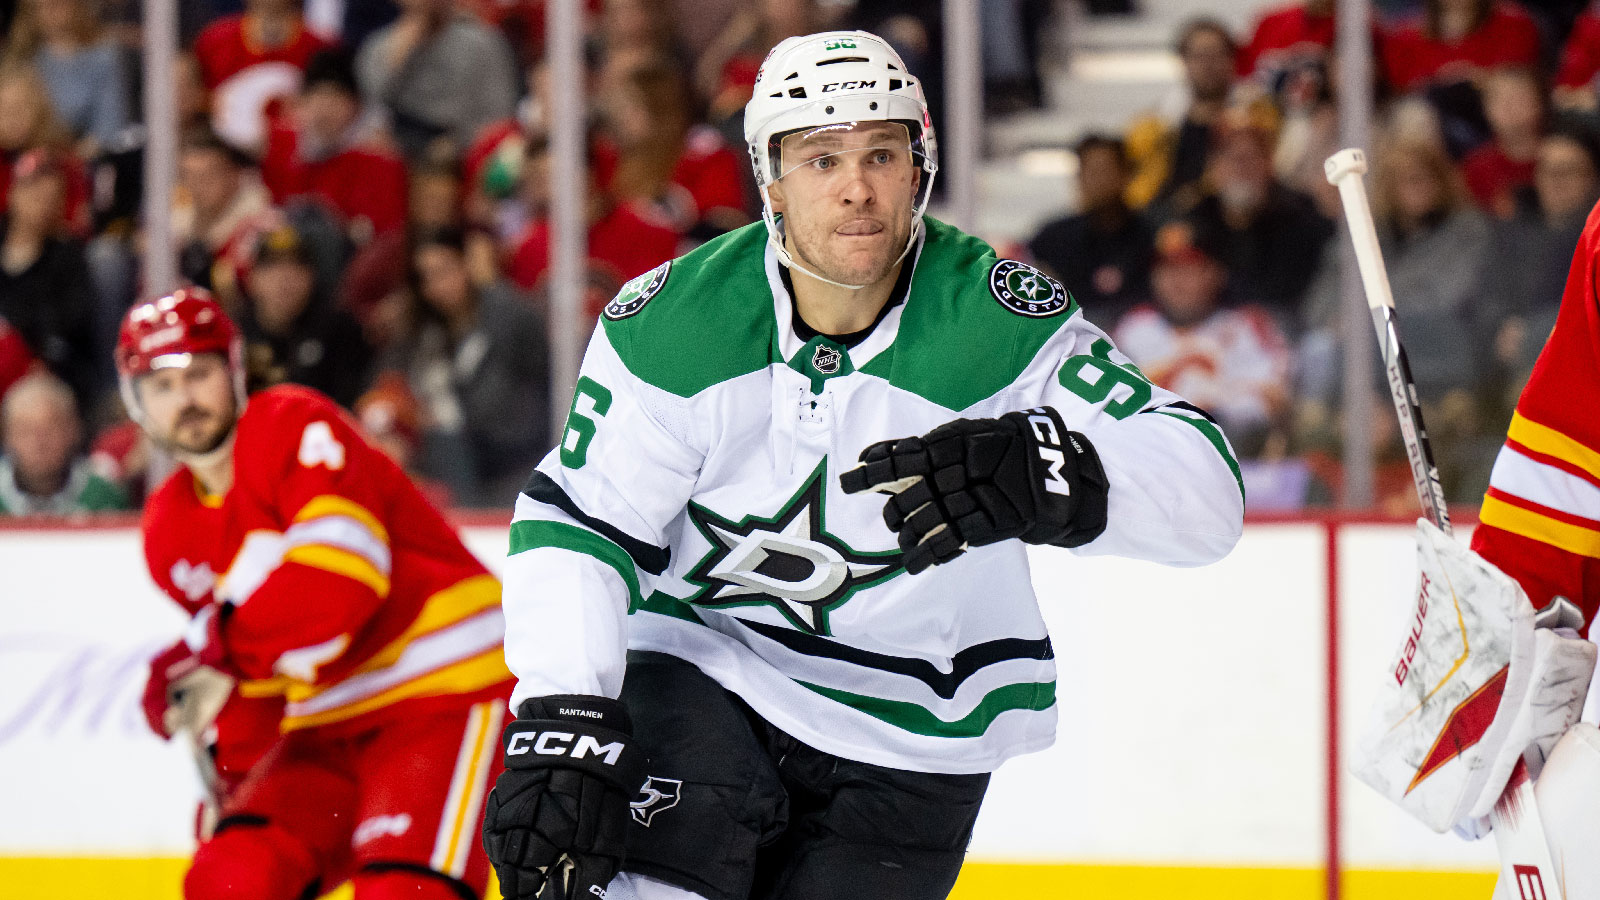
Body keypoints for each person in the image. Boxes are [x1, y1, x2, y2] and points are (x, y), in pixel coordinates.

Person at [482, 31, 1244, 900]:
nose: (856, 186)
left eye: (882, 152)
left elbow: (1209, 494)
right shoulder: (675, 325)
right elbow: (579, 520)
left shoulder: (998, 325)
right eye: (821, 158)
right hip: (709, 662)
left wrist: (1050, 477)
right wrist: (563, 714)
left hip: (917, 727)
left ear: (920, 166)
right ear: (768, 179)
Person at [122, 288, 512, 900]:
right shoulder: (168, 528)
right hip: (327, 722)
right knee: (232, 877)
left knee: (402, 893)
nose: (185, 400)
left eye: (198, 374)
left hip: (445, 691)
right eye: (162, 386)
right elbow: (260, 677)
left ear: (235, 368)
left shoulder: (290, 422)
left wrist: (213, 649)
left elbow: (341, 582)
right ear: (136, 402)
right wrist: (238, 784)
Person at [1027, 133, 1153, 328]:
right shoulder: (1051, 238)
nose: (1097, 180)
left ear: (1126, 174)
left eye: (1105, 170)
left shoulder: (1151, 235)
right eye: (1089, 171)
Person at [0, 370, 127, 515]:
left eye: (49, 430)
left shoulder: (105, 496)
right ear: (7, 436)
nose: (38, 444)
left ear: (73, 430)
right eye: (25, 431)